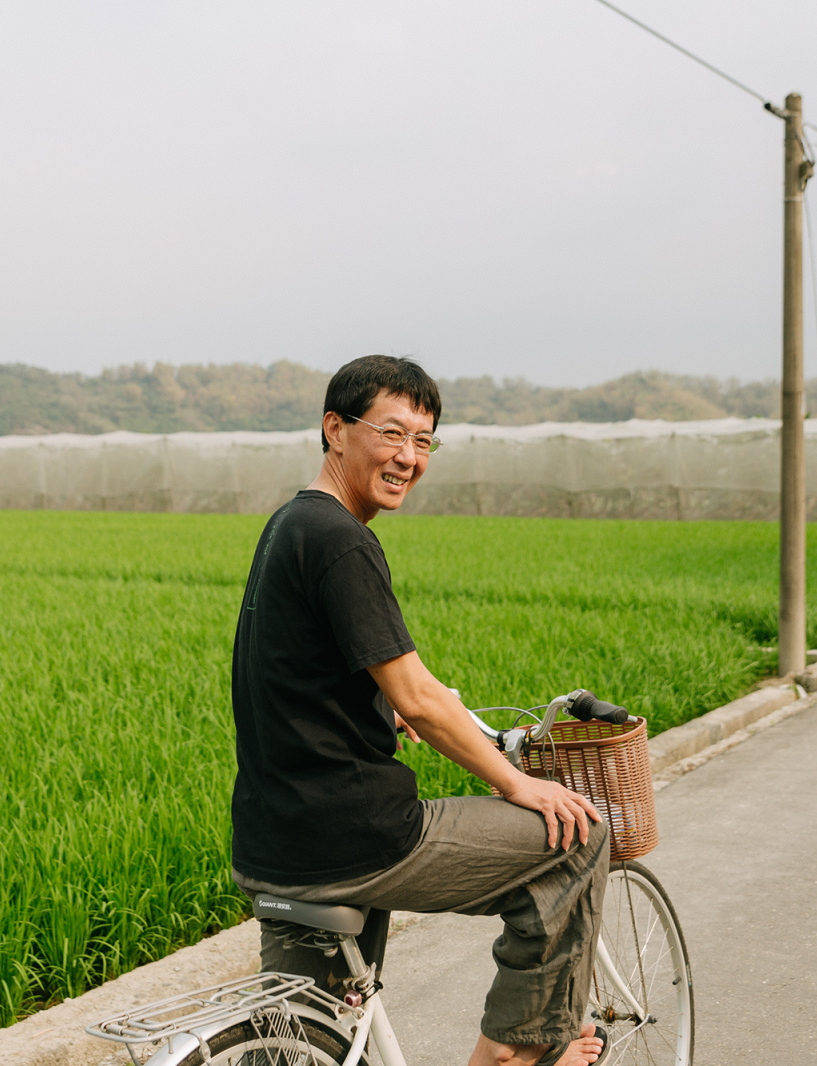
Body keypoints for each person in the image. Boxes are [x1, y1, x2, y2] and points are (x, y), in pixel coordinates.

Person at [230, 355, 610, 1066]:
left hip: (272, 842)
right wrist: (515, 781)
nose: (409, 457)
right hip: (356, 837)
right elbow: (421, 697)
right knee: (580, 840)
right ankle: (517, 1052)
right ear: (334, 429)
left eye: (425, 440)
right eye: (392, 433)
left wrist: (379, 707)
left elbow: (301, 668)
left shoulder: (292, 525)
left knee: (301, 1040)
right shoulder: (346, 540)